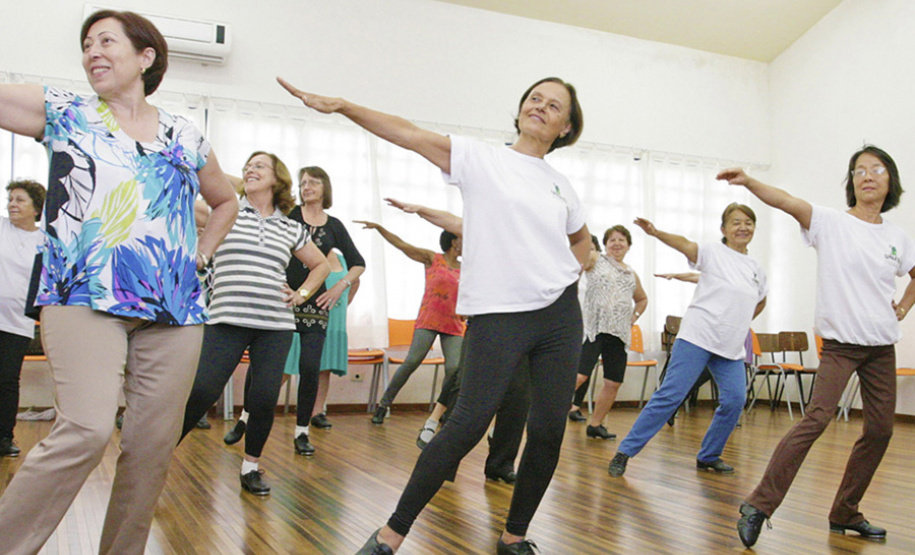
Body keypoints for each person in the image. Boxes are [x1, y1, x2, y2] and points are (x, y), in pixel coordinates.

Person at [278, 75, 590, 555]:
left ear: (566, 127)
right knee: (467, 421)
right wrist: (342, 105)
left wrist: (569, 269)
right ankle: (391, 534)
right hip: (500, 314)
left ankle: (515, 536)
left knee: (548, 429)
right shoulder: (483, 158)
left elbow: (580, 241)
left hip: (560, 315)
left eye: (554, 106)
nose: (540, 108)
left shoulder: (561, 185)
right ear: (520, 108)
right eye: (534, 99)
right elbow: (409, 133)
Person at [0, 10, 238, 553]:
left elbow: (225, 202)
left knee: (152, 447)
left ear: (145, 56)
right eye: (86, 45)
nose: (92, 53)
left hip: (174, 308)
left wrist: (200, 255)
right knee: (85, 429)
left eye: (106, 41)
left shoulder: (184, 132)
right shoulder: (66, 112)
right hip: (80, 293)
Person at [721, 146, 915, 547]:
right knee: (817, 419)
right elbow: (788, 202)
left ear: (889, 181)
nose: (867, 176)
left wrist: (904, 306)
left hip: (881, 346)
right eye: (858, 171)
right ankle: (759, 504)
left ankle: (846, 511)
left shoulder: (897, 237)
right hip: (842, 345)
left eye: (876, 170)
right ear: (852, 183)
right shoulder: (829, 222)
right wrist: (750, 182)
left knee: (879, 430)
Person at [179, 151, 329, 495]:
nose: (249, 169)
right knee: (201, 390)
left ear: (277, 178)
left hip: (274, 325)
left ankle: (251, 467)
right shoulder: (225, 213)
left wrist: (302, 293)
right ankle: (155, 460)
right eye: (247, 165)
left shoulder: (291, 227)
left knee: (262, 398)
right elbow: (186, 204)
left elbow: (321, 266)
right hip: (226, 318)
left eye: (259, 165)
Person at [608, 203, 767, 478]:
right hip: (697, 336)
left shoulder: (755, 268)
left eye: (748, 222)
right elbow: (685, 245)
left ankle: (709, 455)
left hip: (729, 347)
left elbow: (760, 300)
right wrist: (656, 232)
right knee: (670, 396)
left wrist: (740, 320)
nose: (743, 227)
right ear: (724, 229)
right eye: (736, 222)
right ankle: (625, 451)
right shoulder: (713, 252)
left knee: (734, 400)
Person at [223, 166, 364, 456]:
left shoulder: (334, 225)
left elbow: (358, 262)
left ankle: (302, 432)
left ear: (325, 187)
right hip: (283, 300)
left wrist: (340, 287)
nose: (306, 187)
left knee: (310, 367)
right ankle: (245, 418)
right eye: (302, 183)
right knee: (263, 366)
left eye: (313, 182)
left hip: (314, 304)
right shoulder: (290, 215)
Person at [353, 219, 464, 427]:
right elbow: (402, 245)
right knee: (412, 361)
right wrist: (380, 228)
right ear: (453, 241)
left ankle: (443, 413)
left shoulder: (468, 268)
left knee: (454, 369)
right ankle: (383, 406)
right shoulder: (433, 258)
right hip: (429, 320)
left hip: (455, 325)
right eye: (462, 238)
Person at [571, 225, 648, 441]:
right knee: (579, 376)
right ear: (605, 244)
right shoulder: (597, 260)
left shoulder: (631, 274)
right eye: (612, 240)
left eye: (621, 240)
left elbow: (642, 299)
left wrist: (634, 317)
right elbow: (580, 253)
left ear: (629, 245)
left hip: (619, 334)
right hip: (595, 330)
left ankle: (595, 425)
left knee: (613, 383)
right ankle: (545, 413)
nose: (616, 243)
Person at [0, 180, 46, 458]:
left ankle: (4, 437)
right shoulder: (1, 227)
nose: (12, 205)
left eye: (20, 200)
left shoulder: (44, 240)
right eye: (10, 200)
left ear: (36, 209)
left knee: (6, 379)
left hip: (18, 321)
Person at [568, 234, 602, 423]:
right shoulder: (573, 274)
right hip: (573, 327)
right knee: (576, 373)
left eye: (592, 249)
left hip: (592, 330)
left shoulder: (599, 277)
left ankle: (575, 406)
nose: (589, 253)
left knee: (585, 371)